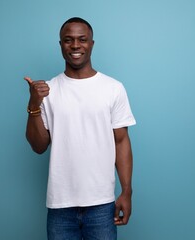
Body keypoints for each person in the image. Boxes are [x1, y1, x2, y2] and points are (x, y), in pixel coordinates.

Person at [24, 17, 136, 240]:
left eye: (82, 39)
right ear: (61, 45)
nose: (75, 46)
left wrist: (126, 191)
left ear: (92, 43)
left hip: (101, 204)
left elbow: (121, 141)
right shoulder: (48, 90)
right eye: (68, 40)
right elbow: (38, 146)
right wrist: (33, 105)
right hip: (60, 206)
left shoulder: (113, 88)